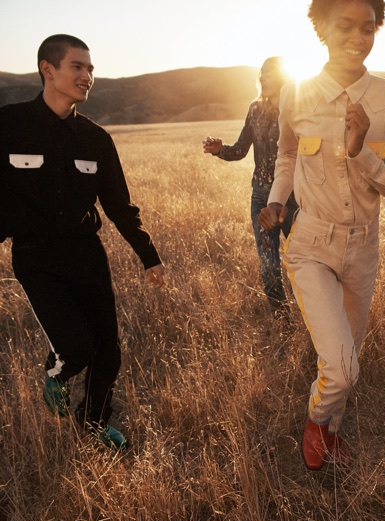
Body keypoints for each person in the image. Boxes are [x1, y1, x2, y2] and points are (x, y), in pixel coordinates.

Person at [258, 0, 385, 470]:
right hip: (309, 245)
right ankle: (315, 422)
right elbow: (287, 154)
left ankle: (330, 432)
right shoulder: (297, 95)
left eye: (368, 28)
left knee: (347, 360)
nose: (358, 37)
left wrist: (361, 150)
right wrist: (277, 197)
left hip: (364, 248)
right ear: (321, 29)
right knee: (343, 369)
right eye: (344, 26)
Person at [0, 34, 165, 451]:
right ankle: (57, 372)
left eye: (90, 68)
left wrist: (149, 255)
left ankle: (92, 423)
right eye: (78, 66)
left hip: (87, 256)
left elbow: (119, 205)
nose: (87, 76)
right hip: (36, 257)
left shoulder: (96, 139)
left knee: (108, 352)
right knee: (76, 346)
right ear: (47, 70)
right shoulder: (9, 125)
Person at [202, 57, 298, 317]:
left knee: (302, 262)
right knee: (269, 266)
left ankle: (312, 320)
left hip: (294, 200)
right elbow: (240, 150)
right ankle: (283, 322)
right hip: (261, 199)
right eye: (262, 73)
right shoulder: (255, 109)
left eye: (270, 73)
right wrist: (220, 149)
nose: (263, 78)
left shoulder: (297, 109)